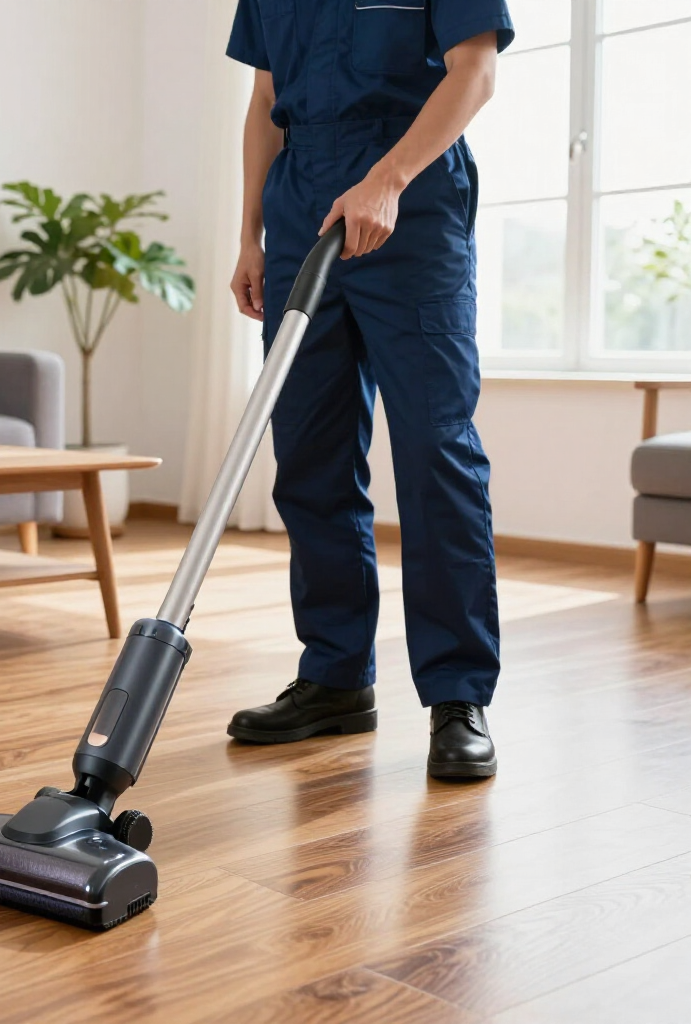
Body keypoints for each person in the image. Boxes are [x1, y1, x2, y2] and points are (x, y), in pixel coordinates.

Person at [225, 0, 514, 778]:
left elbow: (475, 71)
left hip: (411, 203)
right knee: (310, 455)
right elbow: (264, 103)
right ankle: (335, 676)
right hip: (298, 213)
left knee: (435, 451)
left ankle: (457, 693)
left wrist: (386, 179)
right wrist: (250, 235)